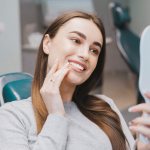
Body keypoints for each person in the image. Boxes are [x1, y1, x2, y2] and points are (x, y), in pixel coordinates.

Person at [0, 11, 135, 150]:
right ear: (47, 44)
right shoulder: (12, 116)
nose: (85, 55)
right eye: (76, 41)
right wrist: (56, 115)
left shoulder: (106, 106)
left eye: (94, 50)